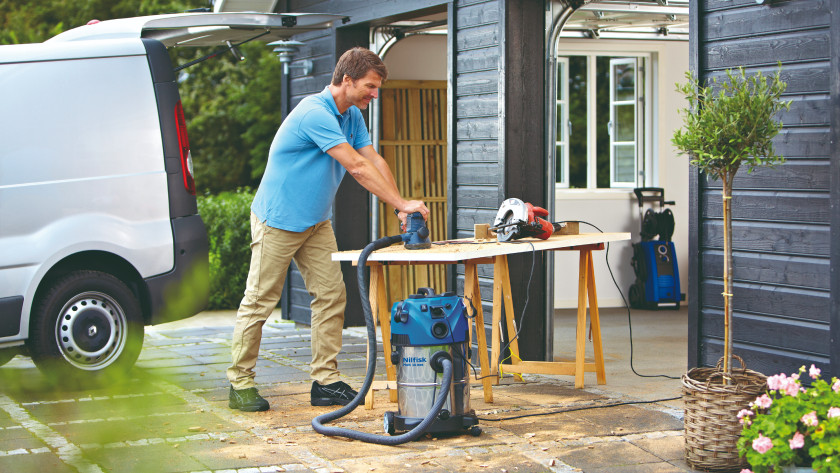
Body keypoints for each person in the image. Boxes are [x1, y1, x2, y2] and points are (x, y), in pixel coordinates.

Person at [226, 47, 429, 412]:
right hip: (278, 220)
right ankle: (239, 383)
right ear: (346, 80)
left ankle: (325, 380)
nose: (374, 94)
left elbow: (373, 159)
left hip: (316, 220)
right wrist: (401, 205)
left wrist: (401, 203)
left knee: (331, 295)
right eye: (370, 86)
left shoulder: (350, 114)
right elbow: (355, 167)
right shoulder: (315, 113)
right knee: (259, 300)